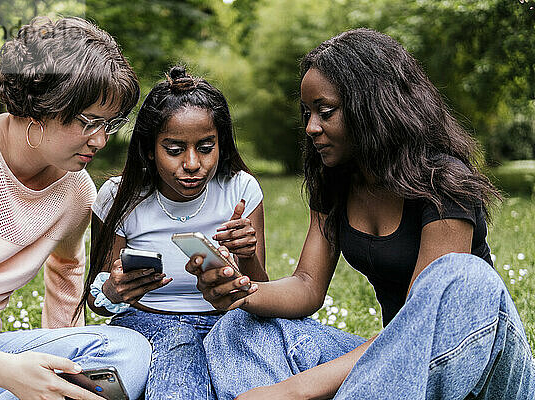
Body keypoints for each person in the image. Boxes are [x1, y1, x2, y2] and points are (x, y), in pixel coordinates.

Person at [189, 28, 535, 399]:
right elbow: (307, 284)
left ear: (372, 104)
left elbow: (418, 329)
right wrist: (243, 291)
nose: (311, 127)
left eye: (326, 112)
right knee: (238, 328)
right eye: (307, 113)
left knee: (461, 276)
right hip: (392, 374)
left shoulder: (442, 180)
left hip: (477, 368)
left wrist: (294, 390)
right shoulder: (337, 181)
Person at [0, 17, 151, 400]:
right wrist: (8, 373)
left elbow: (67, 268)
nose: (100, 140)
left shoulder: (76, 190)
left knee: (129, 351)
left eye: (110, 124)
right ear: (43, 106)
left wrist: (51, 368)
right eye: (89, 122)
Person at [79, 66, 268, 400]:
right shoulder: (117, 197)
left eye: (206, 147)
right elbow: (97, 302)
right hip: (146, 324)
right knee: (178, 362)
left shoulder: (240, 189)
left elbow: (260, 294)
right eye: (175, 149)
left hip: (226, 323)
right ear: (150, 150)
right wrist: (113, 289)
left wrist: (248, 255)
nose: (193, 163)